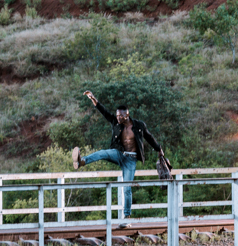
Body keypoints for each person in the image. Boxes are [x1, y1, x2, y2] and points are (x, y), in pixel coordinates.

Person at [72, 91, 168, 221]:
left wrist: (159, 149)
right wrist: (93, 99)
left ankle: (127, 216)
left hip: (131, 160)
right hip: (119, 154)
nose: (118, 118)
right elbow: (104, 111)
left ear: (127, 115)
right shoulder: (115, 122)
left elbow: (149, 137)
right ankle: (82, 161)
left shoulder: (139, 125)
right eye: (117, 116)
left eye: (120, 116)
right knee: (102, 153)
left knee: (126, 188)